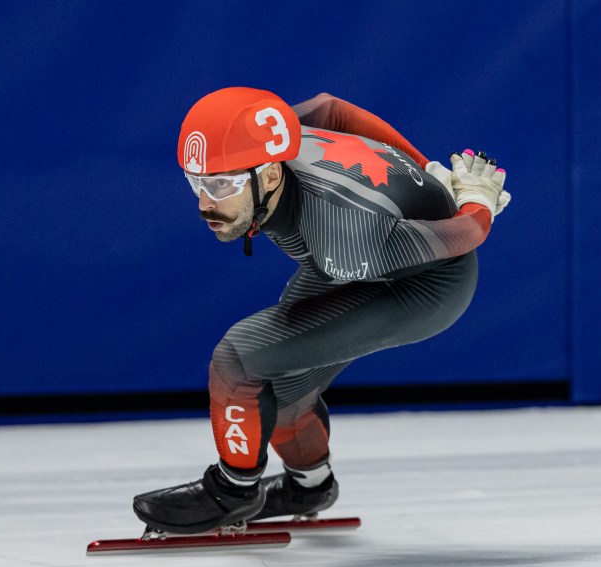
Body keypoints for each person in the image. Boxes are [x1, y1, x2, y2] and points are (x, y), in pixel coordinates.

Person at [133, 87, 509, 534]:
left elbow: (462, 237)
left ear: (271, 177)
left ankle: (232, 491)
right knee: (287, 379)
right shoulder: (272, 132)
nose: (204, 204)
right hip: (360, 248)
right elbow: (334, 109)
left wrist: (476, 203)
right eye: (196, 182)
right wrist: (426, 167)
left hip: (422, 285)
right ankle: (310, 485)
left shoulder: (341, 237)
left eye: (221, 185)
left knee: (238, 360)